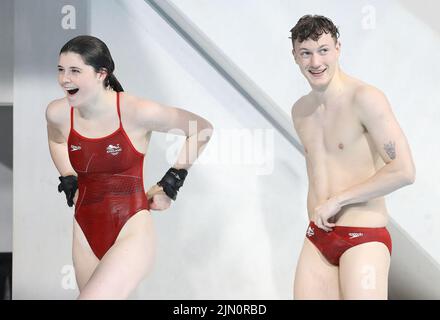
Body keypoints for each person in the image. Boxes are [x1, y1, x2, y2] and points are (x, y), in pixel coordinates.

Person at [46, 35, 213, 299]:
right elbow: (56, 140)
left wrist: (172, 182)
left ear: (102, 74)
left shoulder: (137, 111)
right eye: (60, 70)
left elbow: (201, 129)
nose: (64, 79)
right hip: (84, 231)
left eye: (74, 71)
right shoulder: (58, 113)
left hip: (131, 228)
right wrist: (68, 177)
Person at [289, 15, 415, 299]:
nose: (315, 62)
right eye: (305, 53)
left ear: (338, 49)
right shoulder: (300, 111)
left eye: (323, 50)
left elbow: (404, 170)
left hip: (363, 236)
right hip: (318, 239)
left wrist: (338, 199)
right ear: (295, 56)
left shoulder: (365, 98)